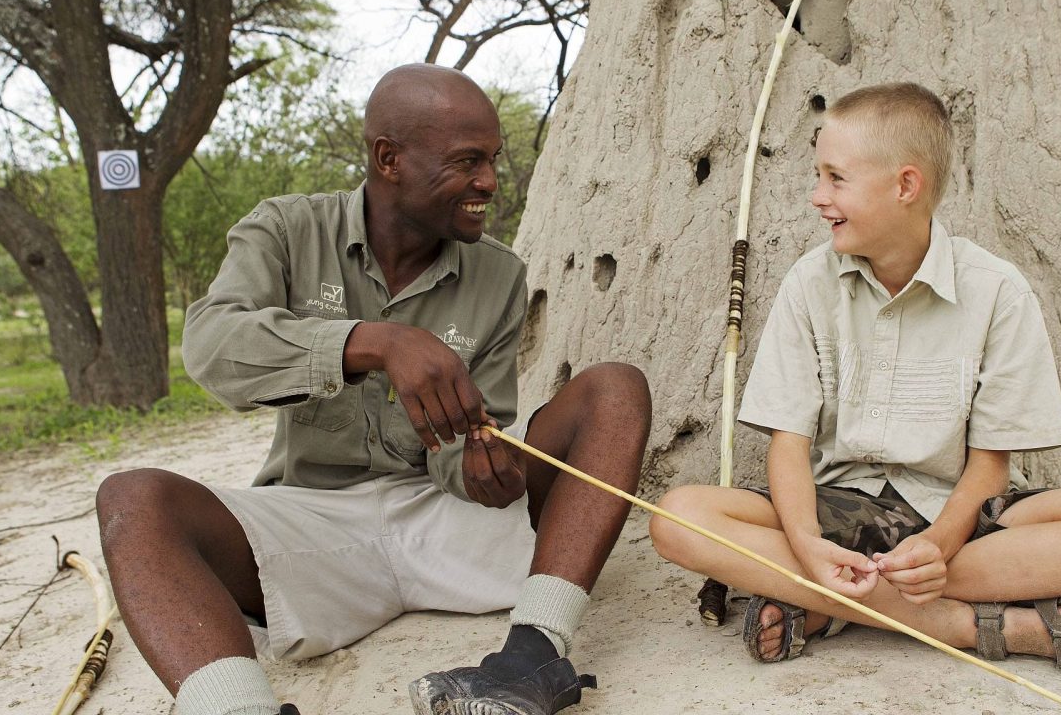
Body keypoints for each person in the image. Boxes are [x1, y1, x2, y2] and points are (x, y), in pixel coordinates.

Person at [95, 64, 651, 715]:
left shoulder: (499, 274)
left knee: (617, 390)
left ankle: (531, 659)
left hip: (444, 523)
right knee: (133, 500)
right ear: (389, 159)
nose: (489, 182)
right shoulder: (285, 230)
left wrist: (481, 468)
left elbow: (466, 446)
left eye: (493, 160)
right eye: (468, 161)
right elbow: (212, 346)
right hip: (313, 524)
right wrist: (372, 342)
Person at [650, 82, 1061, 673]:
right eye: (817, 176)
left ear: (905, 185)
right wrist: (806, 545)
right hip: (836, 511)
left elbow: (989, 465)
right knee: (678, 519)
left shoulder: (997, 291)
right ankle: (977, 626)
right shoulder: (809, 282)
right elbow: (789, 443)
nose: (817, 196)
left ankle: (832, 604)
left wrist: (939, 545)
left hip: (968, 516)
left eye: (835, 178)